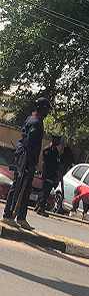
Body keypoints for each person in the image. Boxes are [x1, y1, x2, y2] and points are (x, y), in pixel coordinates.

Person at [3, 98, 51, 229]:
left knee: (25, 189)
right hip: (26, 159)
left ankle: (21, 218)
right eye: (46, 108)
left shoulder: (31, 119)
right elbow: (30, 144)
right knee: (18, 187)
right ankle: (8, 215)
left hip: (24, 158)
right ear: (41, 108)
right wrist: (29, 163)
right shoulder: (36, 122)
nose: (47, 112)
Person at [35, 135, 62, 216]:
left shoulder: (56, 151)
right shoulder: (47, 150)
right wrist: (45, 174)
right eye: (57, 140)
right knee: (45, 192)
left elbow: (57, 164)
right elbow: (45, 164)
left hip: (52, 175)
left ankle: (38, 205)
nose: (59, 142)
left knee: (45, 191)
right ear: (53, 140)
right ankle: (41, 209)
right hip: (47, 174)